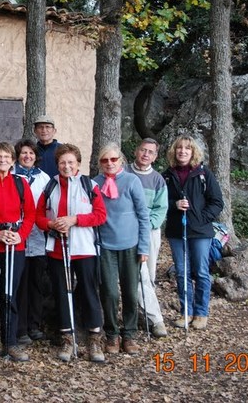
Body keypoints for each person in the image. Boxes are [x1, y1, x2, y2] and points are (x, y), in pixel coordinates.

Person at [35, 143, 107, 363]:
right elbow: (38, 218)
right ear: (57, 164)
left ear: (78, 164)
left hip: (84, 248)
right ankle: (67, 338)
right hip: (58, 249)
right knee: (62, 293)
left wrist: (75, 220)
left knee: (88, 291)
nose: (66, 166)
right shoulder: (50, 186)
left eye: (70, 162)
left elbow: (100, 215)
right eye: (62, 163)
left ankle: (94, 339)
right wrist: (52, 224)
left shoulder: (89, 185)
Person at [0, 142, 36, 362]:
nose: (3, 160)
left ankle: (10, 342)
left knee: (10, 293)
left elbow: (30, 214)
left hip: (15, 244)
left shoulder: (21, 183)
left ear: (13, 160)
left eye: (7, 157)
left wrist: (21, 235)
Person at [93, 143, 151, 355]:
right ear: (100, 163)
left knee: (129, 291)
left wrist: (144, 247)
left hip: (130, 245)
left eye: (113, 160)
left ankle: (129, 334)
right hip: (105, 245)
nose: (109, 163)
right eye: (105, 160)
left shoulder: (131, 180)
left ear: (121, 161)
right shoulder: (94, 184)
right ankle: (112, 335)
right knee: (109, 292)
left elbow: (143, 216)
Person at [162, 134, 224, 331]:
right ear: (174, 151)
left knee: (202, 272)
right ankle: (185, 311)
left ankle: (201, 313)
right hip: (176, 231)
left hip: (200, 232)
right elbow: (161, 203)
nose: (182, 151)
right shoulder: (167, 175)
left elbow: (217, 202)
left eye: (187, 148)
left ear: (193, 152)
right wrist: (175, 205)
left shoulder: (204, 174)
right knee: (182, 272)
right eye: (179, 148)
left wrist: (201, 218)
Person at [126, 138, 169, 338]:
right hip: (124, 230)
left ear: (155, 156)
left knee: (147, 274)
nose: (145, 154)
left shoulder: (158, 180)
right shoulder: (124, 172)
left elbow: (161, 209)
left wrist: (146, 225)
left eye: (150, 152)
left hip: (148, 231)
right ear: (136, 151)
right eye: (143, 150)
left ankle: (150, 316)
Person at [12, 138, 51, 344]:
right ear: (18, 155)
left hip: (37, 237)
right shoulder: (11, 174)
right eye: (23, 153)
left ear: (36, 156)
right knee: (19, 283)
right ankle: (19, 327)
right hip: (16, 236)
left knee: (36, 283)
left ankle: (34, 324)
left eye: (31, 153)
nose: (27, 156)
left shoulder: (44, 178)